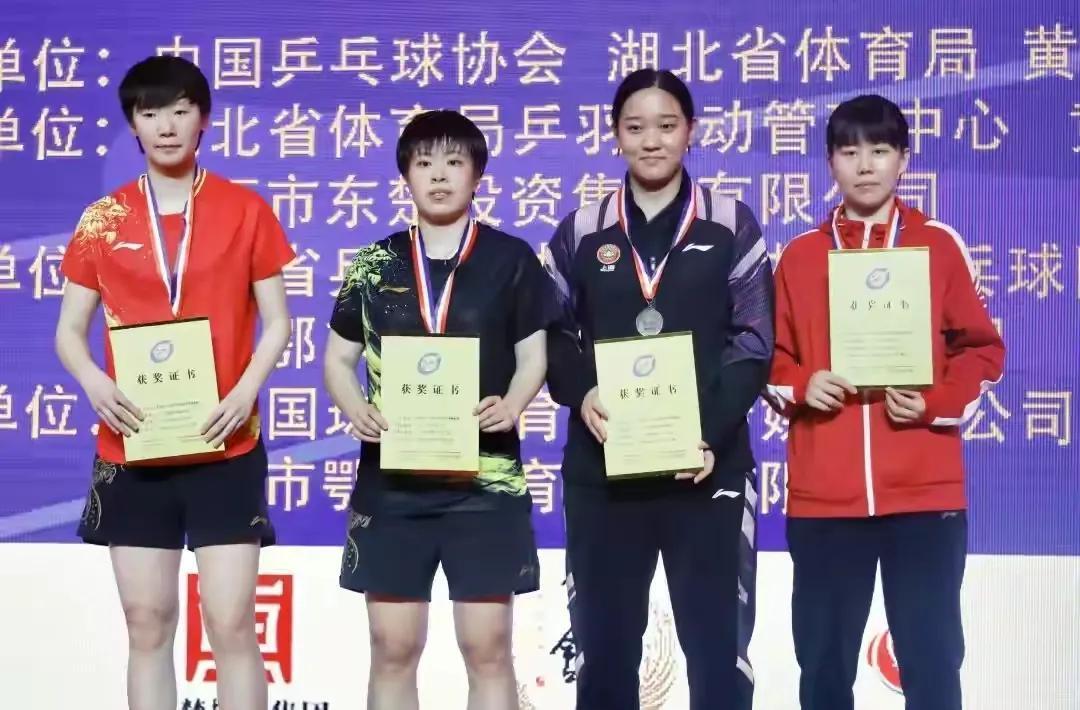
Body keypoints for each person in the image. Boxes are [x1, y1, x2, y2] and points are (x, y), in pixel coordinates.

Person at [55, 56, 295, 710]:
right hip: (132, 446)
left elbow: (278, 321)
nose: (166, 126)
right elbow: (69, 332)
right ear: (133, 124)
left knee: (231, 625)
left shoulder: (245, 209)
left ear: (204, 119)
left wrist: (244, 392)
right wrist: (94, 382)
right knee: (147, 625)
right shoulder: (102, 218)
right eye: (151, 112)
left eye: (181, 110)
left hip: (226, 445)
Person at [764, 94, 1006, 710]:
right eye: (849, 152)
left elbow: (981, 351)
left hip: (923, 494)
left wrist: (933, 402)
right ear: (829, 162)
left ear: (904, 159)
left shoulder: (938, 246)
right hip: (825, 497)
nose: (865, 165)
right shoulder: (799, 256)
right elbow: (769, 359)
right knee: (823, 666)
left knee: (932, 661)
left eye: (880, 150)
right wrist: (803, 386)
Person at [544, 68, 774, 710]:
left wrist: (708, 432)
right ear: (615, 135)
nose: (652, 140)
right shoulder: (582, 230)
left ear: (690, 131)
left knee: (718, 652)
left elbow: (754, 341)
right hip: (603, 471)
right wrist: (582, 392)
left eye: (667, 126)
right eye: (636, 127)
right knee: (604, 653)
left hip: (706, 468)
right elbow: (550, 333)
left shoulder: (730, 223)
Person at [323, 109, 554, 710]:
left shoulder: (511, 259)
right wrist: (355, 408)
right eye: (424, 163)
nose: (440, 175)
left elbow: (534, 354)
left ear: (478, 174)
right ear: (406, 175)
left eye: (455, 162)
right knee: (392, 647)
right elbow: (337, 359)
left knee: (488, 649)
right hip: (393, 482)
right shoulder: (374, 262)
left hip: (485, 480)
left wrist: (514, 403)